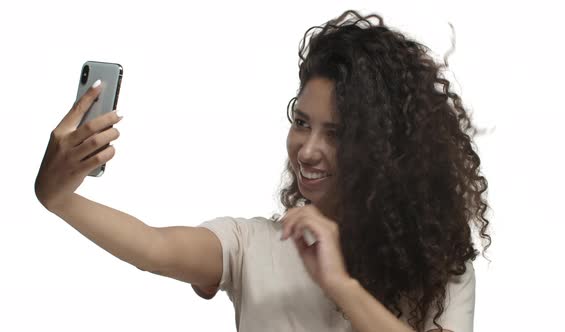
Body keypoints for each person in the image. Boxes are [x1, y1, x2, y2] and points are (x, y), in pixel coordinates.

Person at [35, 9, 491, 332]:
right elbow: (153, 246)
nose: (308, 150)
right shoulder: (253, 245)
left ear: (387, 149)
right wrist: (57, 198)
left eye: (337, 133)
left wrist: (338, 283)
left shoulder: (440, 268)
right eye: (302, 123)